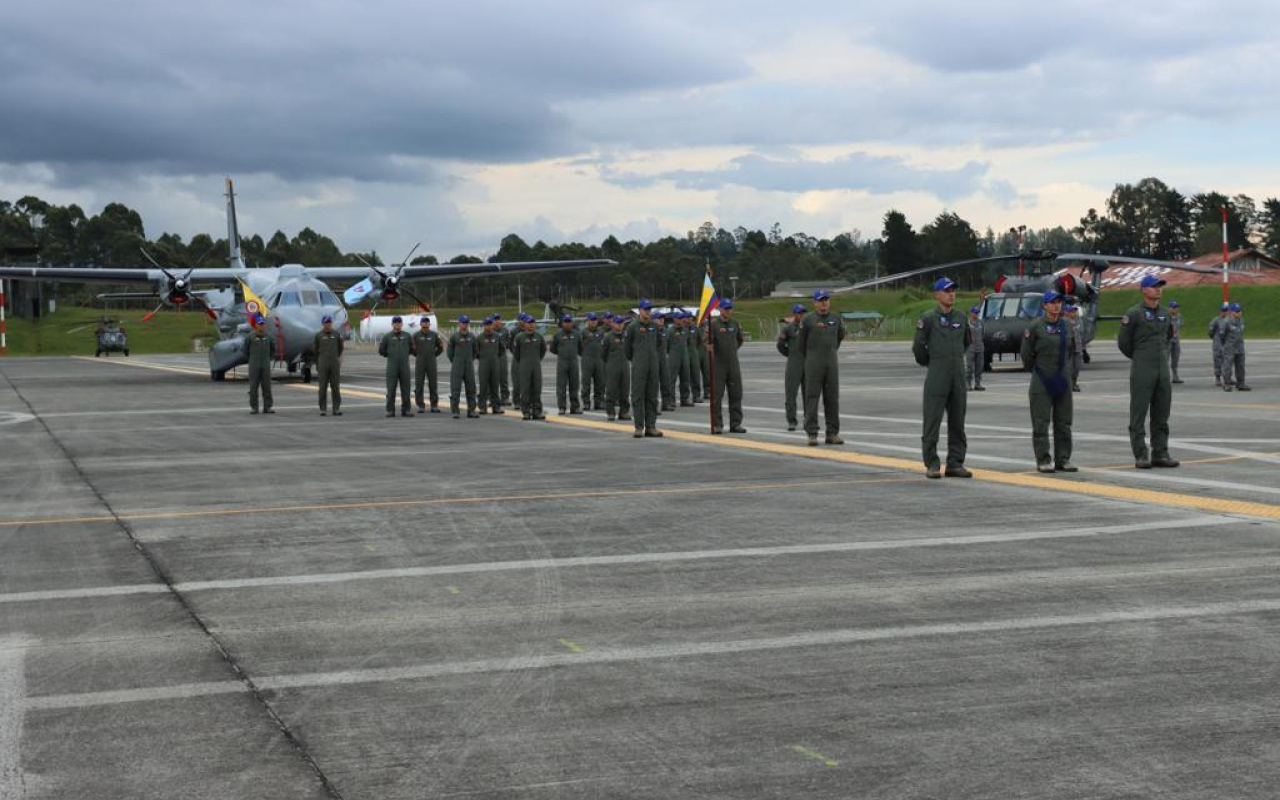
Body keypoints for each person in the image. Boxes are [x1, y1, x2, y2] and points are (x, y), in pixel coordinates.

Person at [912, 277, 971, 479]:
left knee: (958, 421)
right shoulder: (928, 318)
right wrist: (933, 362)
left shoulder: (961, 317)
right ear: (937, 294)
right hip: (937, 374)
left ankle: (955, 463)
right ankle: (932, 463)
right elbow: (918, 347)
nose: (951, 294)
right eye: (946, 291)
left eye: (953, 290)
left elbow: (966, 343)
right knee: (932, 421)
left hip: (958, 376)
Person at [1117, 275, 1178, 469]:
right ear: (1144, 290)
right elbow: (1124, 343)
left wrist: (1159, 357)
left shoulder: (1166, 313)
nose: (1158, 289)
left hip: (1162, 368)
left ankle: (1160, 453)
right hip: (1142, 368)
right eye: (1153, 287)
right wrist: (1140, 357)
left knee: (1162, 412)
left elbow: (1168, 337)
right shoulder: (1133, 313)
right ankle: (1141, 454)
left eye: (1160, 286)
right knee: (1139, 413)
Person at [1020, 291, 1077, 473]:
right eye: (1052, 302)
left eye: (1059, 302)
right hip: (1042, 378)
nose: (1056, 305)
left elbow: (1071, 350)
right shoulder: (1036, 326)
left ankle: (1063, 459)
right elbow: (1026, 354)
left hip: (1062, 378)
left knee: (1064, 422)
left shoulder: (1067, 325)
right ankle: (1043, 459)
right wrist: (1038, 370)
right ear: (1044, 305)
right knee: (1041, 422)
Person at [799, 290, 846, 446]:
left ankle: (832, 433)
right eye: (820, 300)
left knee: (832, 399)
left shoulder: (836, 319)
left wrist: (829, 353)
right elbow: (801, 344)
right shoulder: (808, 320)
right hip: (813, 364)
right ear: (815, 303)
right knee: (812, 398)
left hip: (831, 364)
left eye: (826, 300)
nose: (824, 303)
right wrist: (812, 357)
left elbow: (839, 338)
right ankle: (812, 433)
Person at [707, 299, 746, 434]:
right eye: (726, 308)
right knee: (717, 395)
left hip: (733, 363)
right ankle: (717, 424)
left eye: (730, 308)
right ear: (720, 309)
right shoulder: (713, 324)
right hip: (718, 364)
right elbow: (705, 339)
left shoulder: (735, 324)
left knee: (736, 394)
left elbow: (740, 340)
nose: (728, 311)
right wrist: (709, 346)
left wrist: (733, 350)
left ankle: (735, 424)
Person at [624, 299, 663, 437]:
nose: (648, 312)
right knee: (638, 396)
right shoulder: (632, 327)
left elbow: (659, 344)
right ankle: (639, 427)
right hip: (639, 365)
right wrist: (637, 360)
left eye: (649, 309)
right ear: (639, 310)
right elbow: (627, 349)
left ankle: (651, 427)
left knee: (652, 396)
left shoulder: (654, 326)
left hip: (653, 365)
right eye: (645, 309)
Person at [777, 303, 807, 431]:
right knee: (790, 395)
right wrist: (790, 354)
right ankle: (791, 421)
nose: (802, 315)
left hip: (808, 364)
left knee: (809, 395)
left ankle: (809, 420)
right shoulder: (788, 328)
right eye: (799, 313)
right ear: (794, 314)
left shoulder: (809, 327)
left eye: (803, 313)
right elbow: (780, 344)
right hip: (794, 364)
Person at [378, 315, 416, 417]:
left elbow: (413, 349)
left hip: (404, 366)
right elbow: (381, 350)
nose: (397, 324)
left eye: (399, 323)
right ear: (392, 324)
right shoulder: (387, 337)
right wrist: (390, 355)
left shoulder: (407, 336)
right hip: (392, 366)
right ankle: (390, 410)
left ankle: (406, 410)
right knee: (391, 389)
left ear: (402, 324)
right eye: (395, 323)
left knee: (406, 389)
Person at [511, 314, 547, 420]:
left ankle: (537, 412)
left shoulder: (539, 337)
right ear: (525, 324)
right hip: (524, 367)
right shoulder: (519, 337)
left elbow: (543, 350)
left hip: (536, 366)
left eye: (532, 323)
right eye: (529, 323)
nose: (531, 325)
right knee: (525, 389)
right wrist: (523, 362)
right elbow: (516, 353)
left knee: (537, 389)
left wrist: (536, 360)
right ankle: (526, 412)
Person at [550, 314, 584, 414]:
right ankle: (562, 407)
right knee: (561, 386)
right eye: (566, 322)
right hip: (562, 363)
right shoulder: (557, 335)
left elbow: (580, 349)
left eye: (569, 321)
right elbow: (553, 349)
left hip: (573, 362)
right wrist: (561, 353)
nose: (568, 324)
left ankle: (575, 406)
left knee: (574, 385)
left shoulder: (577, 334)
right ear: (562, 323)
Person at [446, 315, 479, 418]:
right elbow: (449, 352)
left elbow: (475, 352)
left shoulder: (472, 337)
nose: (465, 325)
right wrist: (456, 361)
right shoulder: (454, 337)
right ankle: (455, 411)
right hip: (457, 366)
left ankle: (471, 411)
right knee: (456, 388)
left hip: (469, 365)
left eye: (466, 323)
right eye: (463, 323)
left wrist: (470, 360)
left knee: (471, 388)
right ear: (459, 324)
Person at [244, 314, 275, 414]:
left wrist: (267, 358)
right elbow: (245, 350)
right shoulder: (250, 337)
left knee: (267, 387)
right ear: (256, 325)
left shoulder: (269, 336)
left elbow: (273, 349)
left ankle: (268, 407)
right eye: (259, 324)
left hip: (265, 364)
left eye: (262, 324)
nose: (261, 326)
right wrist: (252, 359)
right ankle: (254, 407)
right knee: (253, 387)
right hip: (254, 364)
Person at [602, 314, 632, 422]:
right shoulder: (608, 337)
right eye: (618, 323)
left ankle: (624, 411)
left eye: (622, 323)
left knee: (625, 389)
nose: (620, 325)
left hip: (625, 366)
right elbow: (603, 354)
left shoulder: (627, 336)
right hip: (612, 366)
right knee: (611, 390)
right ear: (613, 324)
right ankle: (610, 412)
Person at [313, 314, 344, 416]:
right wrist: (319, 362)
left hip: (334, 364)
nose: (328, 324)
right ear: (323, 324)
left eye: (329, 322)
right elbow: (315, 350)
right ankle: (323, 409)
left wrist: (336, 357)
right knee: (322, 387)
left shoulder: (336, 335)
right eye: (326, 322)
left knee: (335, 387)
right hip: (323, 363)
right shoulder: (319, 336)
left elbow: (340, 348)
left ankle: (336, 408)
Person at [412, 315, 444, 413]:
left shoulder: (434, 335)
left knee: (433, 384)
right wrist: (418, 355)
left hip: (431, 362)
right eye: (423, 322)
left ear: (429, 324)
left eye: (427, 322)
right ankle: (420, 405)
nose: (425, 324)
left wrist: (434, 355)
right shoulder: (416, 335)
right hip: (420, 363)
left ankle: (434, 405)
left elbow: (441, 347)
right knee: (419, 384)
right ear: (420, 324)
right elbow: (412, 348)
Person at [475, 316, 505, 414]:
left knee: (495, 386)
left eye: (490, 324)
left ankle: (496, 407)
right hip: (484, 364)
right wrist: (483, 358)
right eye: (486, 324)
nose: (488, 326)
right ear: (484, 326)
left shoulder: (497, 336)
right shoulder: (479, 338)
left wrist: (495, 358)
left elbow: (502, 350)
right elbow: (476, 352)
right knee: (483, 387)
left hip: (495, 364)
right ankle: (482, 407)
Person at [1219, 302, 1250, 391]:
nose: (1239, 313)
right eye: (1237, 311)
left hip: (1240, 347)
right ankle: (1227, 384)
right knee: (1227, 366)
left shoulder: (1241, 320)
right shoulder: (1226, 321)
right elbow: (1222, 335)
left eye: (1240, 311)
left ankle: (1241, 383)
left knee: (1241, 366)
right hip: (1230, 347)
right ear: (1232, 312)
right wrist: (1227, 345)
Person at [580, 312, 607, 411]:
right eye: (592, 320)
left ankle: (599, 402)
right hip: (587, 359)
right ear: (588, 321)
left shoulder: (601, 332)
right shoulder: (583, 332)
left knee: (600, 382)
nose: (594, 322)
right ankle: (586, 402)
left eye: (595, 320)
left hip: (599, 359)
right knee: (586, 382)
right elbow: (579, 346)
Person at [669, 311, 693, 407]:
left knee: (685, 379)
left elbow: (688, 342)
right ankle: (671, 400)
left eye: (682, 318)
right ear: (674, 319)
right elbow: (665, 345)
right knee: (672, 380)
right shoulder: (670, 331)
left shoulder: (685, 330)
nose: (682, 320)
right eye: (679, 318)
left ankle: (685, 398)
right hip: (673, 358)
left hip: (684, 357)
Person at [656, 311, 676, 412]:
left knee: (665, 382)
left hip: (663, 359)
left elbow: (668, 345)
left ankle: (666, 403)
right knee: (653, 385)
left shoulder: (666, 331)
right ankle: (653, 406)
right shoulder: (651, 331)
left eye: (662, 318)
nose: (661, 320)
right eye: (659, 318)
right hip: (654, 360)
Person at [1064, 304, 1084, 392]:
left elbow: (1081, 332)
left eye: (1075, 311)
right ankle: (1068, 385)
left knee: (1077, 367)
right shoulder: (1063, 322)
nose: (1074, 313)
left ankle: (1074, 383)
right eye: (1071, 311)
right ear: (1066, 312)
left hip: (1077, 348)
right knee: (1069, 368)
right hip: (1068, 349)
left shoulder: (1079, 321)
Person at [965, 305, 985, 391]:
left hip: (980, 348)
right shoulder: (967, 323)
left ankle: (978, 384)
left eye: (978, 313)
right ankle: (968, 383)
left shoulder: (981, 323)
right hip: (970, 348)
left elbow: (983, 334)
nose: (977, 314)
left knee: (979, 367)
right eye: (975, 313)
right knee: (969, 367)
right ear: (971, 313)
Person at [1209, 302, 1229, 386]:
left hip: (1226, 344)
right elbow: (1210, 331)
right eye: (1223, 311)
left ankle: (1227, 377)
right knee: (1217, 360)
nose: (1224, 312)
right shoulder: (1216, 320)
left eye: (1226, 310)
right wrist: (1215, 338)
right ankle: (1218, 378)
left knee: (1227, 361)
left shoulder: (1229, 320)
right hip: (1217, 343)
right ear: (1220, 311)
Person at [493, 312, 511, 406]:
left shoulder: (505, 330)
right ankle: (494, 398)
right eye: (495, 319)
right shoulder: (490, 330)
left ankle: (505, 397)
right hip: (493, 356)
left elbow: (509, 341)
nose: (497, 321)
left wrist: (505, 346)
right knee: (493, 378)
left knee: (503, 377)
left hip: (502, 355)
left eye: (498, 319)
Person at [686, 312, 704, 403]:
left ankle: (696, 395)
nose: (689, 319)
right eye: (687, 317)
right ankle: (685, 396)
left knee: (696, 375)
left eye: (690, 317)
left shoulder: (695, 328)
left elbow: (699, 341)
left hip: (694, 354)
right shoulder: (682, 328)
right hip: (684, 355)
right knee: (685, 377)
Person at [1167, 300, 1183, 384]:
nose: (1176, 309)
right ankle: (1164, 377)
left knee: (1175, 358)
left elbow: (1180, 325)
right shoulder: (1166, 316)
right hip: (1167, 340)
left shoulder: (1179, 316)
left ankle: (1175, 376)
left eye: (1177, 307)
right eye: (1174, 307)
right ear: (1170, 308)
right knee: (1165, 359)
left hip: (1176, 340)